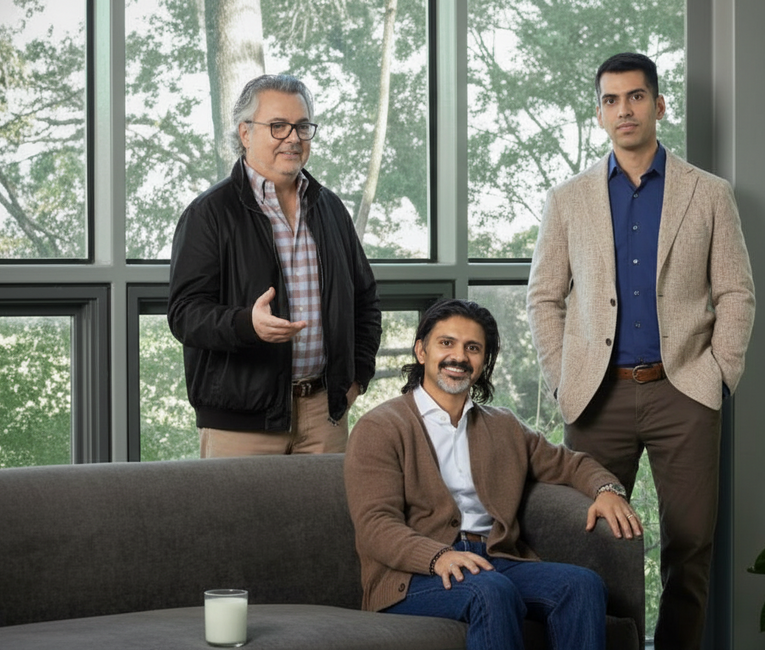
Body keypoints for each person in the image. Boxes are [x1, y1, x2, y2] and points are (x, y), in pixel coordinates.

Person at [526, 53, 755, 650]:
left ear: (658, 105)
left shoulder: (708, 193)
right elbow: (544, 298)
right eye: (611, 100)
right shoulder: (568, 199)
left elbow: (736, 291)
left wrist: (719, 374)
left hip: (685, 390)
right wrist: (563, 379)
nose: (623, 110)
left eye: (635, 97)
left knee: (690, 543)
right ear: (599, 113)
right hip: (597, 396)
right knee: (594, 541)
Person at [344, 298, 643, 650]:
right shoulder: (380, 427)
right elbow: (376, 526)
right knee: (490, 591)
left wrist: (606, 489)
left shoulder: (503, 426)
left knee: (582, 585)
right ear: (421, 351)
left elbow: (570, 463)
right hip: (413, 576)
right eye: (446, 343)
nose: (459, 356)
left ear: (483, 361)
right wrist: (438, 557)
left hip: (496, 560)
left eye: (473, 348)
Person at [168, 74, 382, 457]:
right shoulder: (209, 213)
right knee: (240, 503)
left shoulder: (330, 209)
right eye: (278, 126)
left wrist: (356, 380)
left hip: (325, 416)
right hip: (242, 422)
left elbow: (365, 300)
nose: (293, 138)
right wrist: (246, 324)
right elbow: (185, 315)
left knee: (328, 502)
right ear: (245, 133)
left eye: (302, 126)